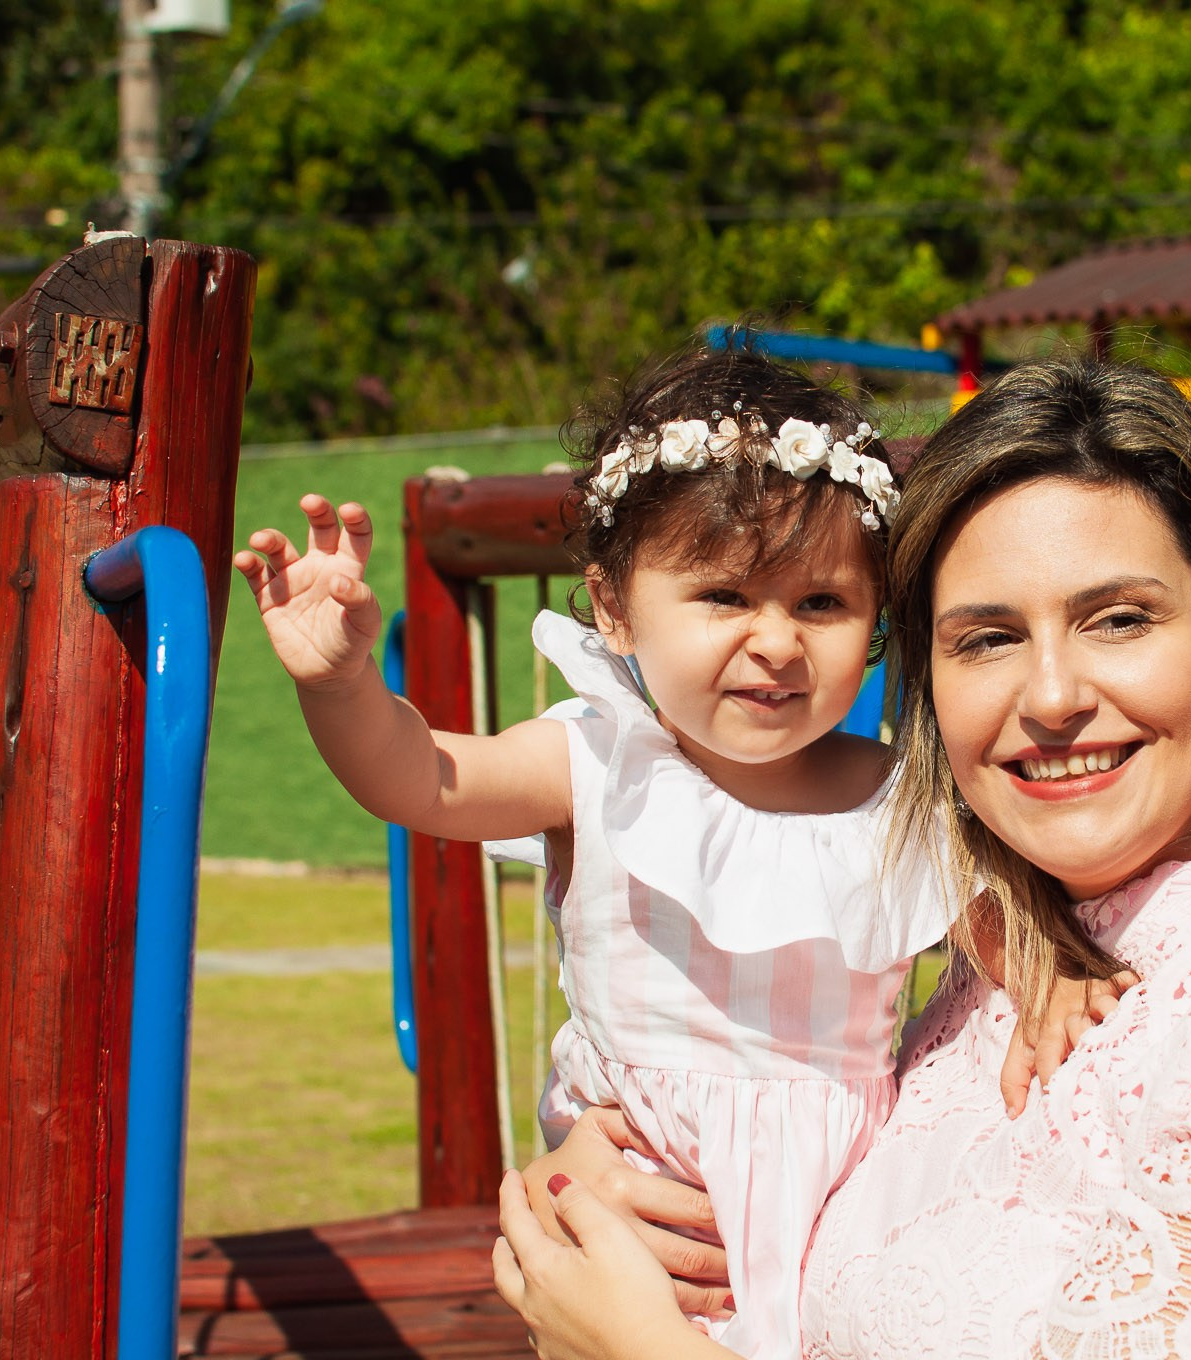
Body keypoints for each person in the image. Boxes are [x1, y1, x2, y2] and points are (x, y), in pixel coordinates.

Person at [493, 356, 1191, 1359]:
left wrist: (637, 1346)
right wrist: (594, 1193)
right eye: (986, 639)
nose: (1053, 696)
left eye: (1118, 620)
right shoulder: (974, 980)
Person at [233, 349, 1118, 1360]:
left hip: (842, 1210)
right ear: (614, 608)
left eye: (820, 603)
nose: (776, 641)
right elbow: (422, 778)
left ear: (874, 617)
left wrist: (1048, 981)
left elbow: (996, 933)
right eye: (724, 596)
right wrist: (341, 686)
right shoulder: (597, 762)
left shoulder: (897, 794)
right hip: (640, 1215)